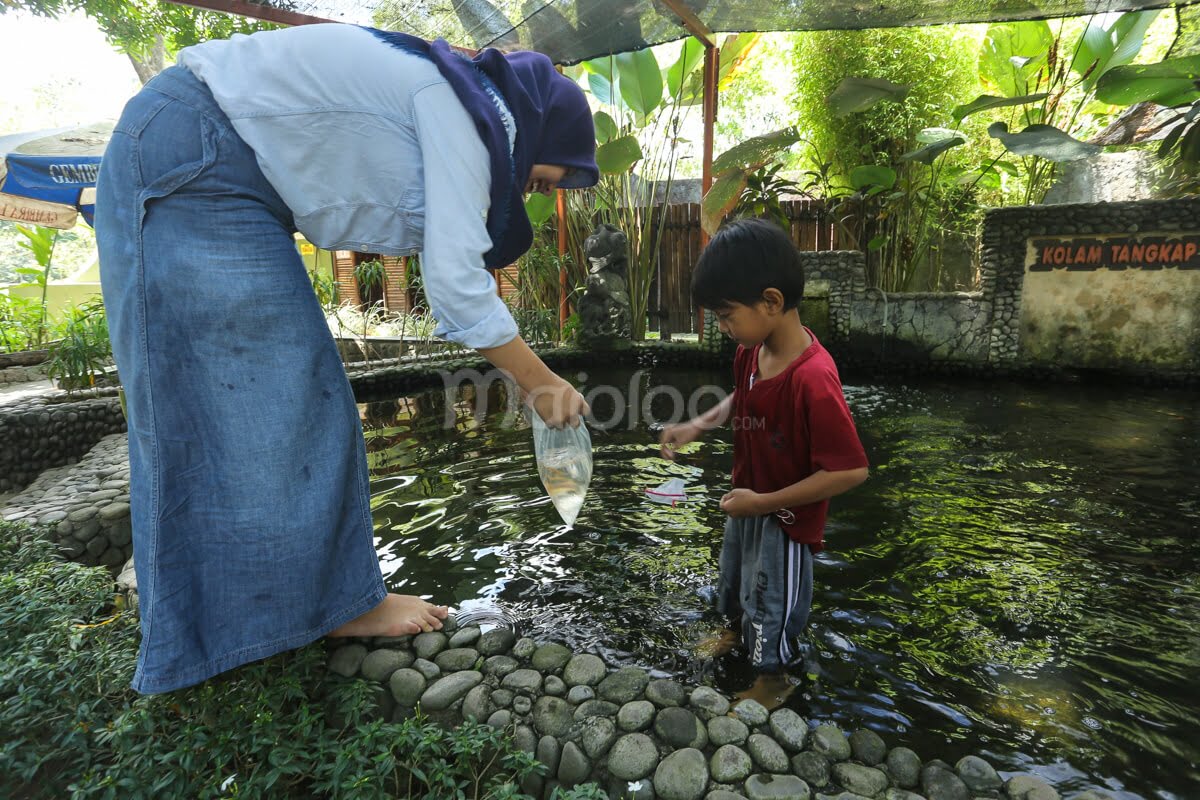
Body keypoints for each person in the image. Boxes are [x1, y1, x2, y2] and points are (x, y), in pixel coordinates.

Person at [95, 23, 597, 694]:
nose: (535, 194)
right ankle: (310, 614)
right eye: (543, 177)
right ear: (538, 130)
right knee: (245, 404)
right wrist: (540, 383)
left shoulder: (461, 100)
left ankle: (271, 619)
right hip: (194, 159)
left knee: (279, 402)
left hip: (212, 163)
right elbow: (455, 286)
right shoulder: (461, 110)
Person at [659, 218, 869, 696]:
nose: (722, 326)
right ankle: (736, 634)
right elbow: (742, 397)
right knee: (735, 582)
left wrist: (765, 503)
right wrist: (697, 425)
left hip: (786, 519)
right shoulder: (751, 351)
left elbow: (851, 469)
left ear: (771, 302)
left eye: (727, 314)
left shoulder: (813, 378)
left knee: (774, 598)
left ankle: (773, 677)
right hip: (750, 498)